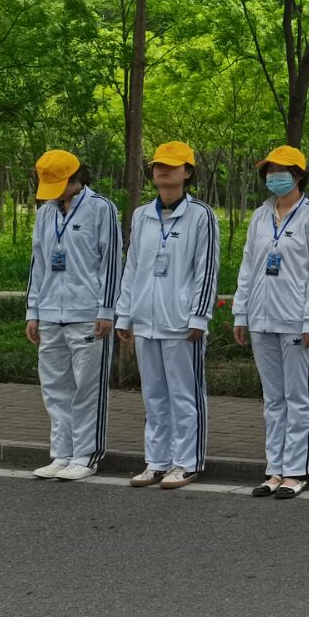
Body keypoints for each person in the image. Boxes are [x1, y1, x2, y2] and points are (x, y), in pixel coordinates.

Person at [115, 141, 221, 490]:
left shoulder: (201, 215)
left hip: (181, 322)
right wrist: (124, 315)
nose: (163, 170)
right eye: (158, 165)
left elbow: (206, 268)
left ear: (187, 172)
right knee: (153, 395)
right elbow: (132, 267)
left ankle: (187, 462)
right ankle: (156, 461)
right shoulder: (142, 215)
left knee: (184, 395)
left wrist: (199, 315)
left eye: (172, 166)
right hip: (145, 320)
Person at [231, 145, 309, 499]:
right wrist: (241, 312)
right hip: (261, 319)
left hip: (297, 322)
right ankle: (275, 468)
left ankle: (298, 470)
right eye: (270, 170)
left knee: (298, 397)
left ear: (299, 176)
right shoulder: (260, 216)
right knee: (273, 399)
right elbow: (248, 266)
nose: (274, 176)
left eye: (282, 170)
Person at [24, 149, 122, 482]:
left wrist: (107, 309)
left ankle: (86, 455)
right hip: (51, 312)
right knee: (55, 388)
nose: (53, 194)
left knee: (87, 389)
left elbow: (111, 262)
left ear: (75, 178)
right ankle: (61, 453)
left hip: (88, 314)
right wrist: (33, 311)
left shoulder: (101, 208)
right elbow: (38, 262)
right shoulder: (45, 213)